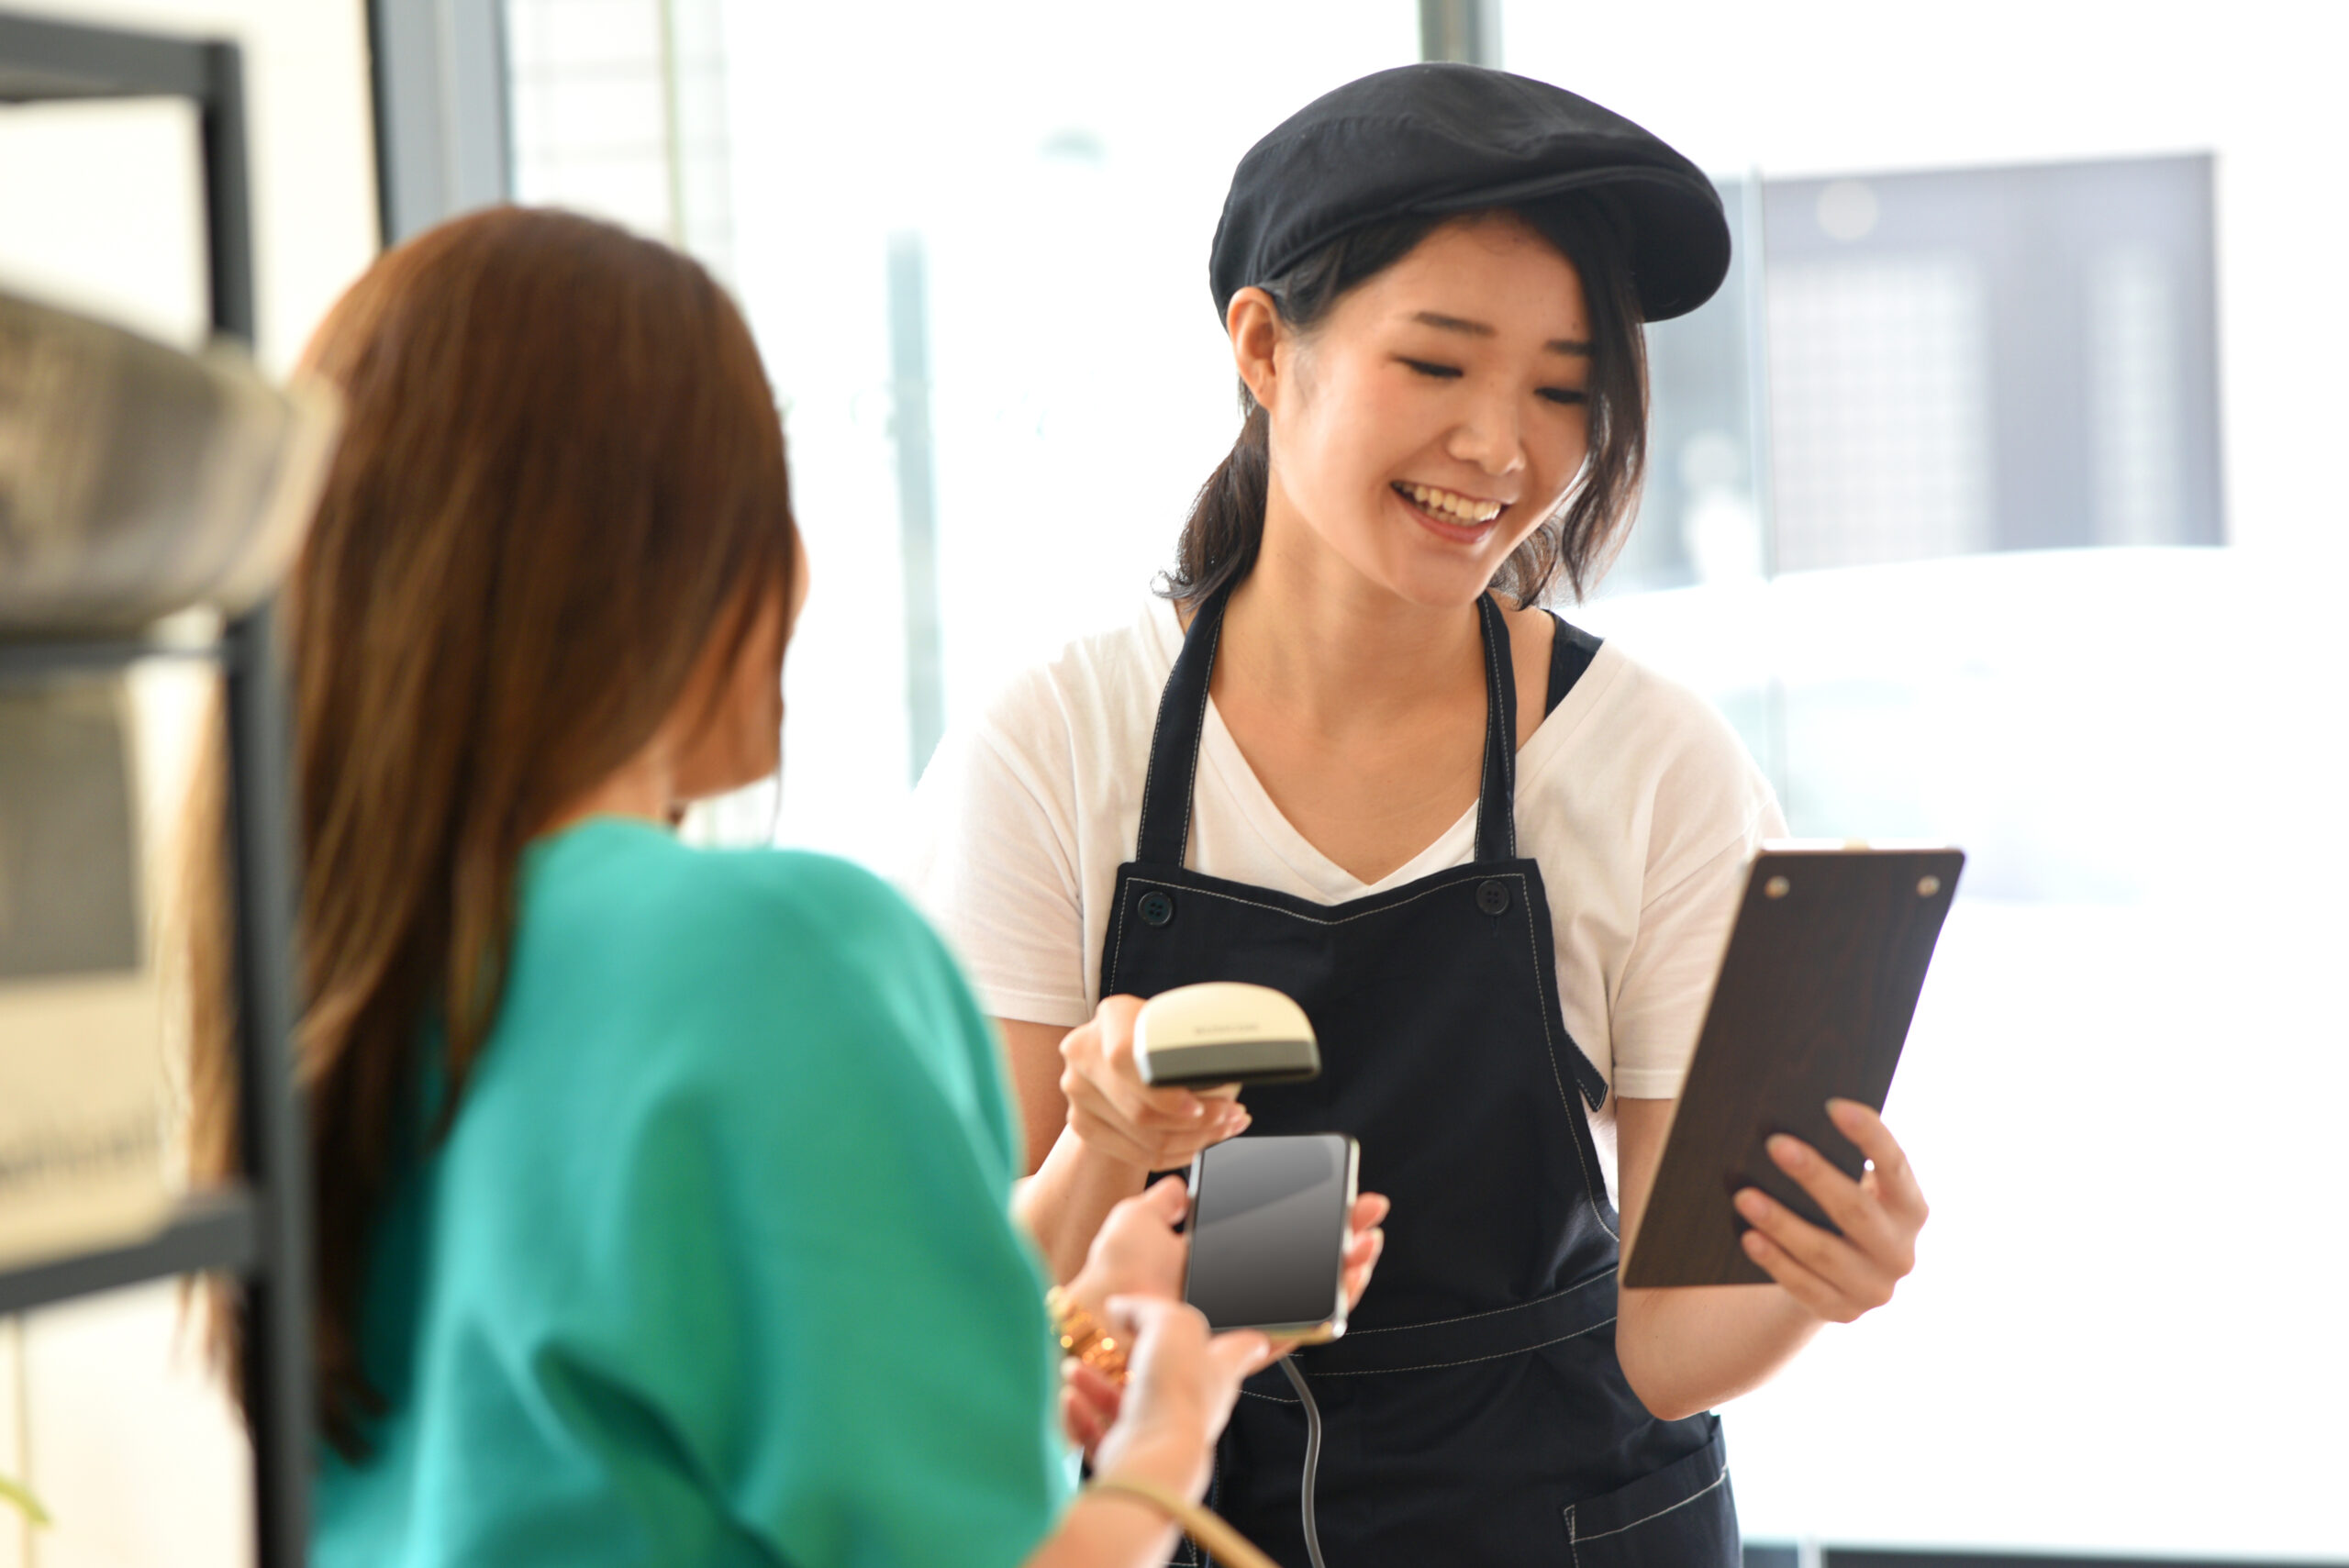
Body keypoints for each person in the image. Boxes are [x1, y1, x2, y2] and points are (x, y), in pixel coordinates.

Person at [182, 206, 1384, 1568]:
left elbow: (601, 1431)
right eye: (768, 503)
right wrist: (1170, 1429)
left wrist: (1054, 1315)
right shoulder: (776, 949)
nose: (802, 570)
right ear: (660, 563)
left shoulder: (334, 957)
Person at [908, 64, 1931, 1565]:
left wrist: (1816, 1275)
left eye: (1562, 387)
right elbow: (969, 1318)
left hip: (1581, 1522)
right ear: (1264, 347)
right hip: (1184, 1514)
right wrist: (1103, 1152)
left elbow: (1663, 1344)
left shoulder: (1651, 763)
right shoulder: (1057, 747)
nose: (1500, 449)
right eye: (1439, 365)